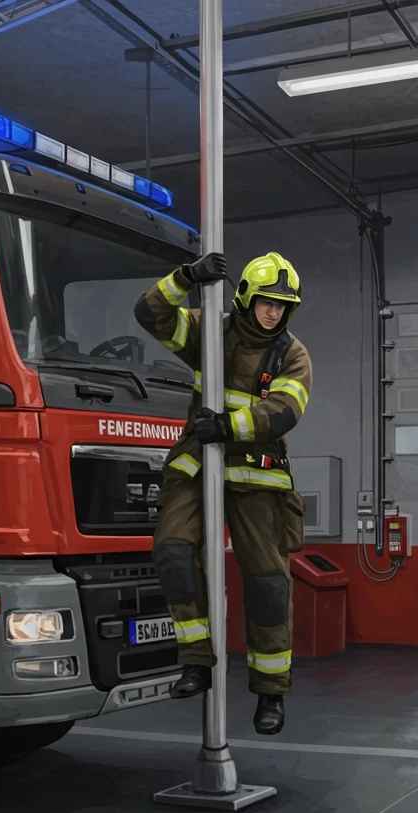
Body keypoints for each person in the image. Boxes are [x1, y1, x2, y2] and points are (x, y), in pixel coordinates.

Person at [134, 250, 313, 735]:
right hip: (196, 465)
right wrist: (186, 278)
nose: (274, 312)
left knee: (268, 585)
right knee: (173, 554)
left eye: (283, 305)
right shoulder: (208, 333)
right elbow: (150, 313)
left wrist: (229, 427)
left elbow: (284, 411)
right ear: (246, 298)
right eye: (267, 301)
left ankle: (270, 694)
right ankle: (195, 660)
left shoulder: (292, 354)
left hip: (259, 478)